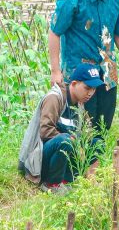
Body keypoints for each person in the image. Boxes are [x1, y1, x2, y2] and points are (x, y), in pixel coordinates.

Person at [48, 0, 119, 135]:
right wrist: (55, 71)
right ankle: (82, 161)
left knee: (104, 122)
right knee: (82, 123)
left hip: (108, 68)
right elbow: (54, 33)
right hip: (80, 69)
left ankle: (99, 160)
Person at [18, 63, 105, 194]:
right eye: (87, 88)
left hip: (64, 154)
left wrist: (84, 143)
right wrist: (75, 140)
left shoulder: (80, 105)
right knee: (66, 140)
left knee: (97, 143)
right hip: (40, 158)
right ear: (74, 84)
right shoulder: (55, 98)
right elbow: (45, 131)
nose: (90, 93)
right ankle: (52, 184)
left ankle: (76, 180)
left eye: (93, 89)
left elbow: (88, 135)